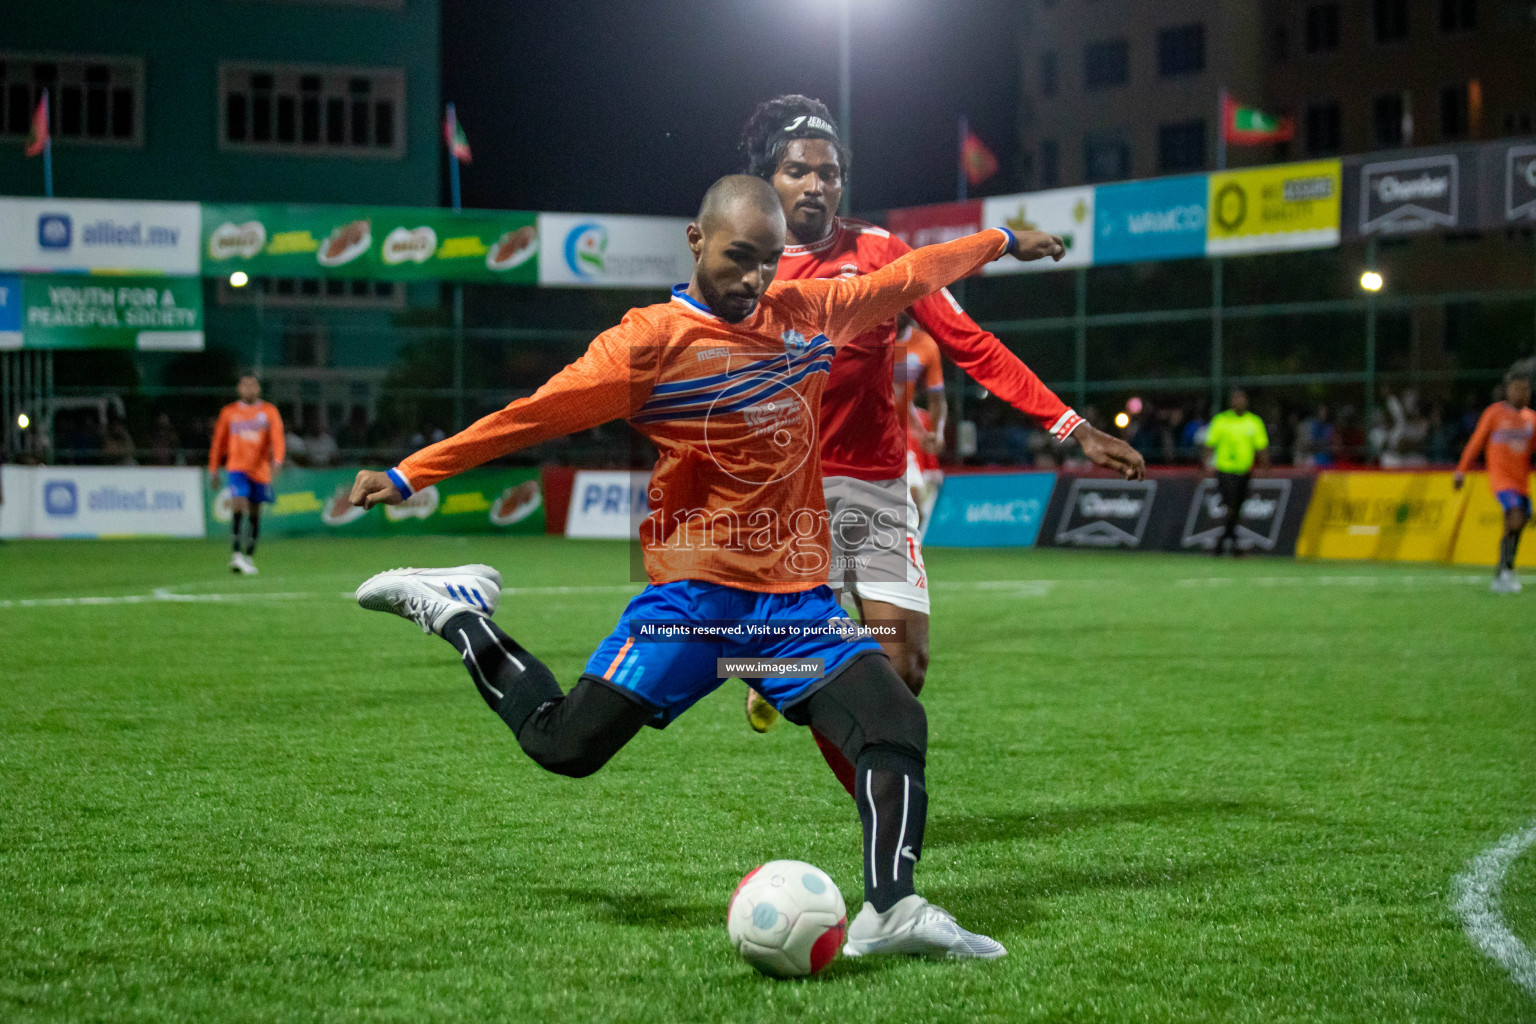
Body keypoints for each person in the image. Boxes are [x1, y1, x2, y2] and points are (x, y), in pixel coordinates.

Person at [348, 175, 1073, 959]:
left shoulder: (809, 314)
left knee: (896, 718)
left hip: (794, 608)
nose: (754, 280)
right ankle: (457, 612)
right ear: (696, 242)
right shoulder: (646, 345)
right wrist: (408, 474)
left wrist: (999, 242)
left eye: (767, 262)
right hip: (697, 605)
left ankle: (890, 909)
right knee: (565, 747)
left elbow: (908, 277)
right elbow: (529, 416)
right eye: (738, 258)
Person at [735, 95, 1143, 771]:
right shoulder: (746, 274)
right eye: (799, 170)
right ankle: (875, 808)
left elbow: (970, 343)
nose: (818, 184)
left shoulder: (880, 254)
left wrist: (1072, 426)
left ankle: (782, 677)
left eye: (830, 173)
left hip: (876, 482)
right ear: (767, 180)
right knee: (834, 667)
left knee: (904, 665)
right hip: (789, 495)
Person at [1454, 372, 1535, 593]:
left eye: (1526, 389)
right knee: (1516, 516)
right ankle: (1507, 570)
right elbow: (1476, 442)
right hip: (1501, 479)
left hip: (1522, 482)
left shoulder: (1531, 419)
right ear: (1508, 390)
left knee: (1518, 522)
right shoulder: (1495, 413)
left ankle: (1503, 571)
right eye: (1518, 388)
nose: (1523, 393)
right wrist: (1461, 470)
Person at [208, 375, 285, 575]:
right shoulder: (229, 412)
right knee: (238, 503)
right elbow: (219, 442)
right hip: (237, 468)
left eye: (252, 385)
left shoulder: (269, 411)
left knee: (254, 513)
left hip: (260, 471)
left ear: (258, 388)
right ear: (239, 388)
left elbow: (277, 437)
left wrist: (277, 460)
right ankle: (236, 555)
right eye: (245, 385)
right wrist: (213, 468)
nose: (249, 389)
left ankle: (249, 556)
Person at [1203, 388, 1269, 556]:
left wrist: (1265, 468)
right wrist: (1205, 466)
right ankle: (1233, 546)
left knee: (1237, 508)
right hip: (1224, 471)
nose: (1239, 402)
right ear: (1231, 402)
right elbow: (1210, 445)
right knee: (1231, 505)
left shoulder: (1254, 422)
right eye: (1236, 399)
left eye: (1242, 399)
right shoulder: (1221, 420)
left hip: (1244, 472)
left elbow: (1261, 447)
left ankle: (1223, 542)